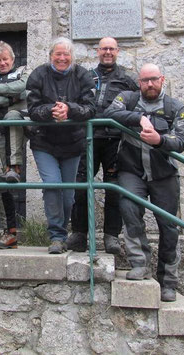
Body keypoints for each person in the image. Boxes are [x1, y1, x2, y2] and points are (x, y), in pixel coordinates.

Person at [104, 63, 184, 302]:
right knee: (130, 211)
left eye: (153, 79)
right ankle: (139, 263)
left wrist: (160, 140)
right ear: (138, 82)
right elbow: (110, 114)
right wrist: (139, 118)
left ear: (162, 79)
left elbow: (182, 141)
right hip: (131, 170)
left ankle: (168, 281)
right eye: (144, 80)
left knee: (169, 226)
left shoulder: (176, 106)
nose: (149, 84)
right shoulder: (127, 98)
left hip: (164, 174)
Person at [67, 37, 138, 253]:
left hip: (115, 140)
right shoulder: (86, 76)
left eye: (111, 49)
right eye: (104, 48)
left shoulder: (128, 78)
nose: (107, 52)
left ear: (117, 51)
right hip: (87, 138)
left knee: (114, 188)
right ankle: (79, 234)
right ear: (97, 51)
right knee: (80, 187)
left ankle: (111, 237)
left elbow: (138, 104)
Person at [27, 37, 96, 254]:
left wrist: (69, 109)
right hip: (44, 142)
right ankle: (56, 236)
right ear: (50, 56)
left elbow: (91, 108)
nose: (62, 58)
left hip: (72, 143)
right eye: (58, 54)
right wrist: (51, 111)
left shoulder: (83, 75)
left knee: (68, 195)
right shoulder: (38, 74)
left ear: (72, 57)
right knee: (52, 185)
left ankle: (62, 233)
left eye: (66, 54)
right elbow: (32, 108)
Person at [0, 41, 28, 249]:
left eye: (5, 59)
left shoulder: (22, 72)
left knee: (13, 178)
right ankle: (9, 232)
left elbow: (24, 90)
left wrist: (0, 90)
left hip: (17, 132)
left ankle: (15, 166)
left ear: (12, 59)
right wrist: (12, 97)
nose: (2, 63)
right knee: (1, 183)